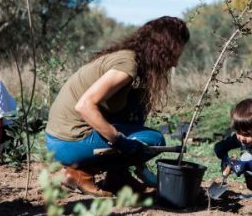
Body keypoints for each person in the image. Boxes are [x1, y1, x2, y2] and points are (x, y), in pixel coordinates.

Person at [45, 16, 190, 197]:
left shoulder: (129, 61)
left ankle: (118, 176)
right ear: (162, 49)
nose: (175, 63)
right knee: (154, 140)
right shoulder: (127, 65)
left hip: (61, 140)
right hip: (67, 142)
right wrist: (120, 142)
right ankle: (80, 172)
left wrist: (137, 163)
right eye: (175, 55)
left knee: (136, 104)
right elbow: (84, 105)